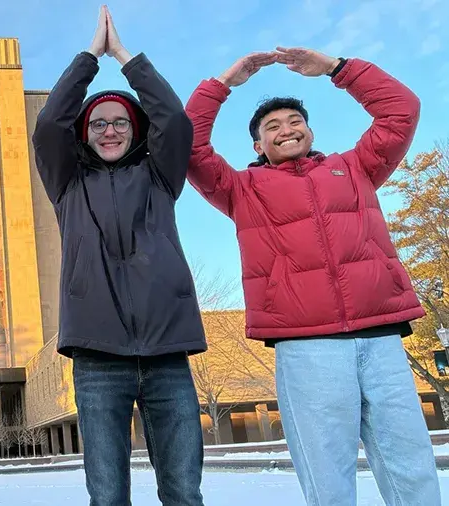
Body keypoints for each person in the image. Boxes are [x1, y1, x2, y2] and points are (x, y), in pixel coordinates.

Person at [185, 47, 441, 505]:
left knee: (412, 469)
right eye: (272, 127)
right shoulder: (242, 189)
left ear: (310, 130)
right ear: (258, 146)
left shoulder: (355, 168)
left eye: (294, 121)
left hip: (381, 340)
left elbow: (401, 110)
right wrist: (224, 83)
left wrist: (336, 69)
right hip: (308, 347)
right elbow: (189, 146)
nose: (286, 129)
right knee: (329, 479)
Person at [32, 5, 206, 505]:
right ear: (85, 132)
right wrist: (90, 56)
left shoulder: (160, 177)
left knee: (182, 490)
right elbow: (48, 126)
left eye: (121, 123)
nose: (110, 130)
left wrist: (125, 57)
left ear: (136, 129)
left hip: (167, 351)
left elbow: (172, 118)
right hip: (96, 355)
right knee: (107, 495)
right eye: (98, 123)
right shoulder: (67, 183)